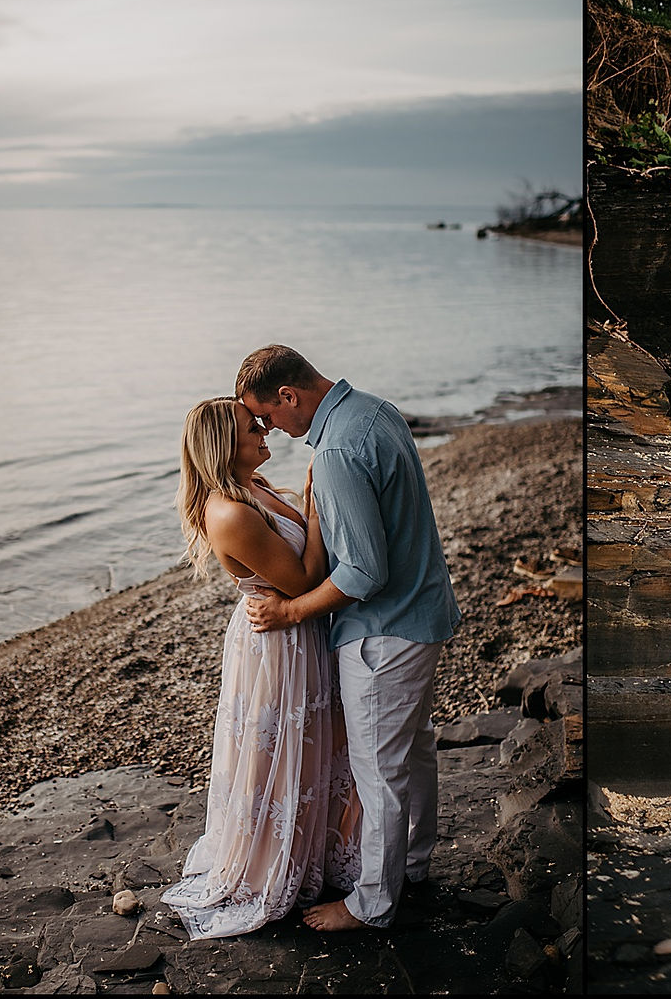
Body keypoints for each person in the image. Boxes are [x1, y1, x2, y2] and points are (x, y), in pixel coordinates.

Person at [235, 345, 460, 934]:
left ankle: (372, 904)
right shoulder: (375, 410)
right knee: (414, 751)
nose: (272, 431)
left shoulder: (335, 450)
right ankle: (411, 865)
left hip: (383, 634)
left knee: (378, 772)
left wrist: (291, 612)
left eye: (269, 417)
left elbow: (363, 573)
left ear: (291, 395)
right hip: (424, 611)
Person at [162, 398, 362, 939]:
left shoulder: (258, 488)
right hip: (279, 645)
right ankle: (268, 867)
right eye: (254, 427)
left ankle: (314, 852)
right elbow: (300, 581)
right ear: (226, 444)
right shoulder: (229, 512)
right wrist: (318, 511)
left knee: (317, 746)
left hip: (300, 631)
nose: (264, 430)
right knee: (277, 753)